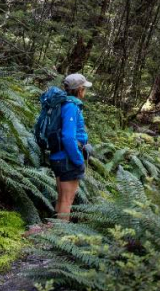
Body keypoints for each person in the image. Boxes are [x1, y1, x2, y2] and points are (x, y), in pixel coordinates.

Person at [49, 73, 92, 220]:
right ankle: (60, 238)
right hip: (67, 159)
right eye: (84, 88)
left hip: (57, 155)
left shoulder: (60, 103)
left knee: (62, 198)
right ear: (79, 89)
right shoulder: (71, 106)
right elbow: (68, 137)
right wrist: (78, 160)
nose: (84, 91)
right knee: (67, 201)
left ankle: (52, 234)